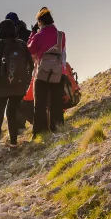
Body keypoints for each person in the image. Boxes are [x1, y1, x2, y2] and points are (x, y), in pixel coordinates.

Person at [0, 20, 34, 167]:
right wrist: (25, 83)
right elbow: (30, 65)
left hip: (1, 88)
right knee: (12, 114)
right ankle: (13, 144)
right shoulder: (21, 44)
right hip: (18, 87)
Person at [28, 7, 66, 137]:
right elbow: (62, 52)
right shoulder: (61, 35)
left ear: (40, 22)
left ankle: (40, 131)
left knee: (40, 104)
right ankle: (57, 127)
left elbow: (30, 51)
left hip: (42, 73)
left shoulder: (38, 36)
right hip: (57, 72)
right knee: (56, 102)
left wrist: (32, 34)